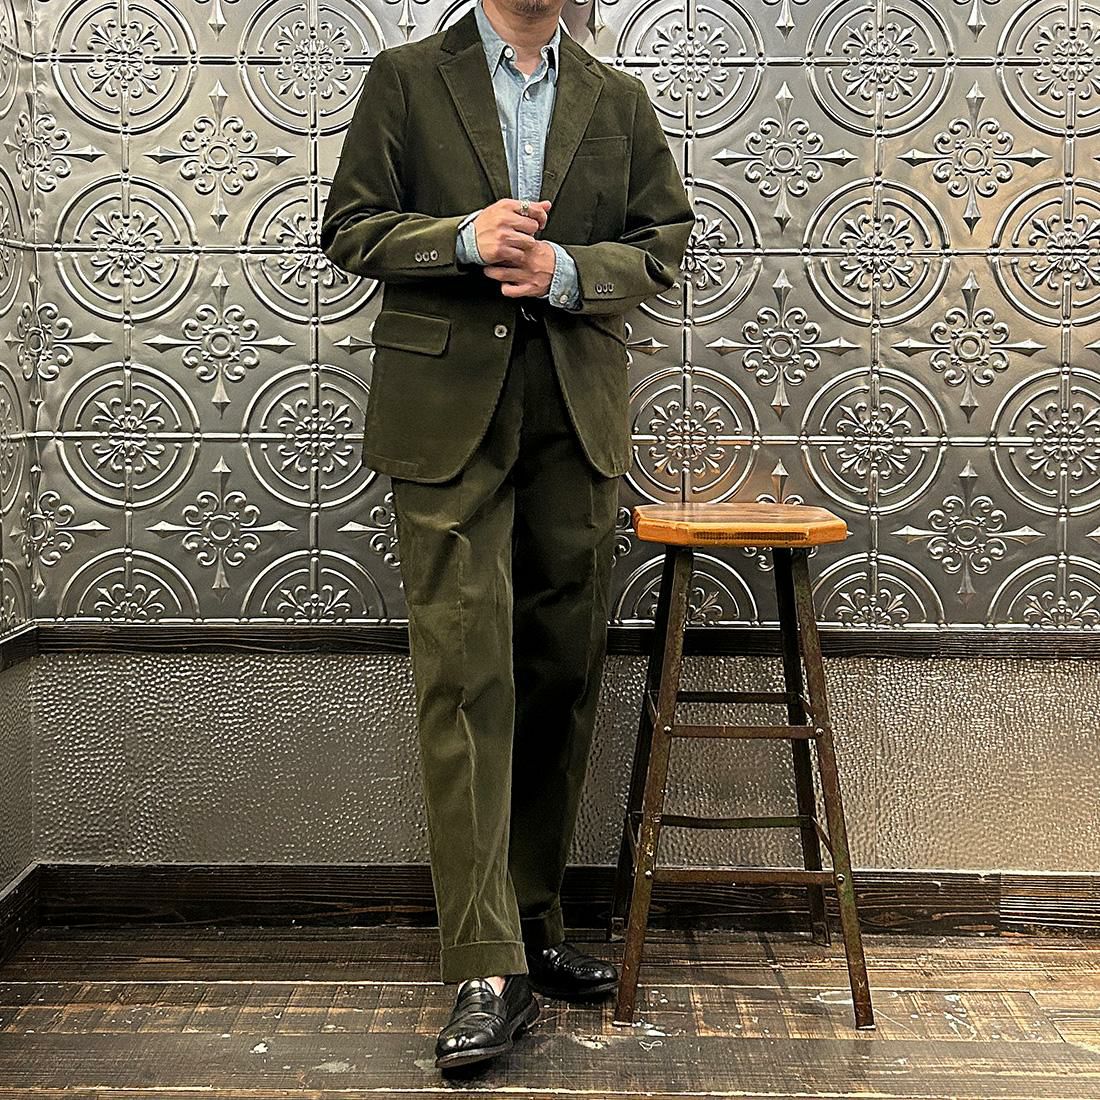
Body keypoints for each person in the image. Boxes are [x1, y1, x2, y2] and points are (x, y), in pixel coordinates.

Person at [320, 0, 695, 1072]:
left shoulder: (617, 97)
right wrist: (460, 239)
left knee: (559, 671)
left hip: (575, 413)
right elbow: (350, 229)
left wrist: (567, 271)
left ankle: (532, 923)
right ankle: (483, 964)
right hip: (445, 418)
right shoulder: (404, 77)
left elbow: (662, 243)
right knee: (463, 671)